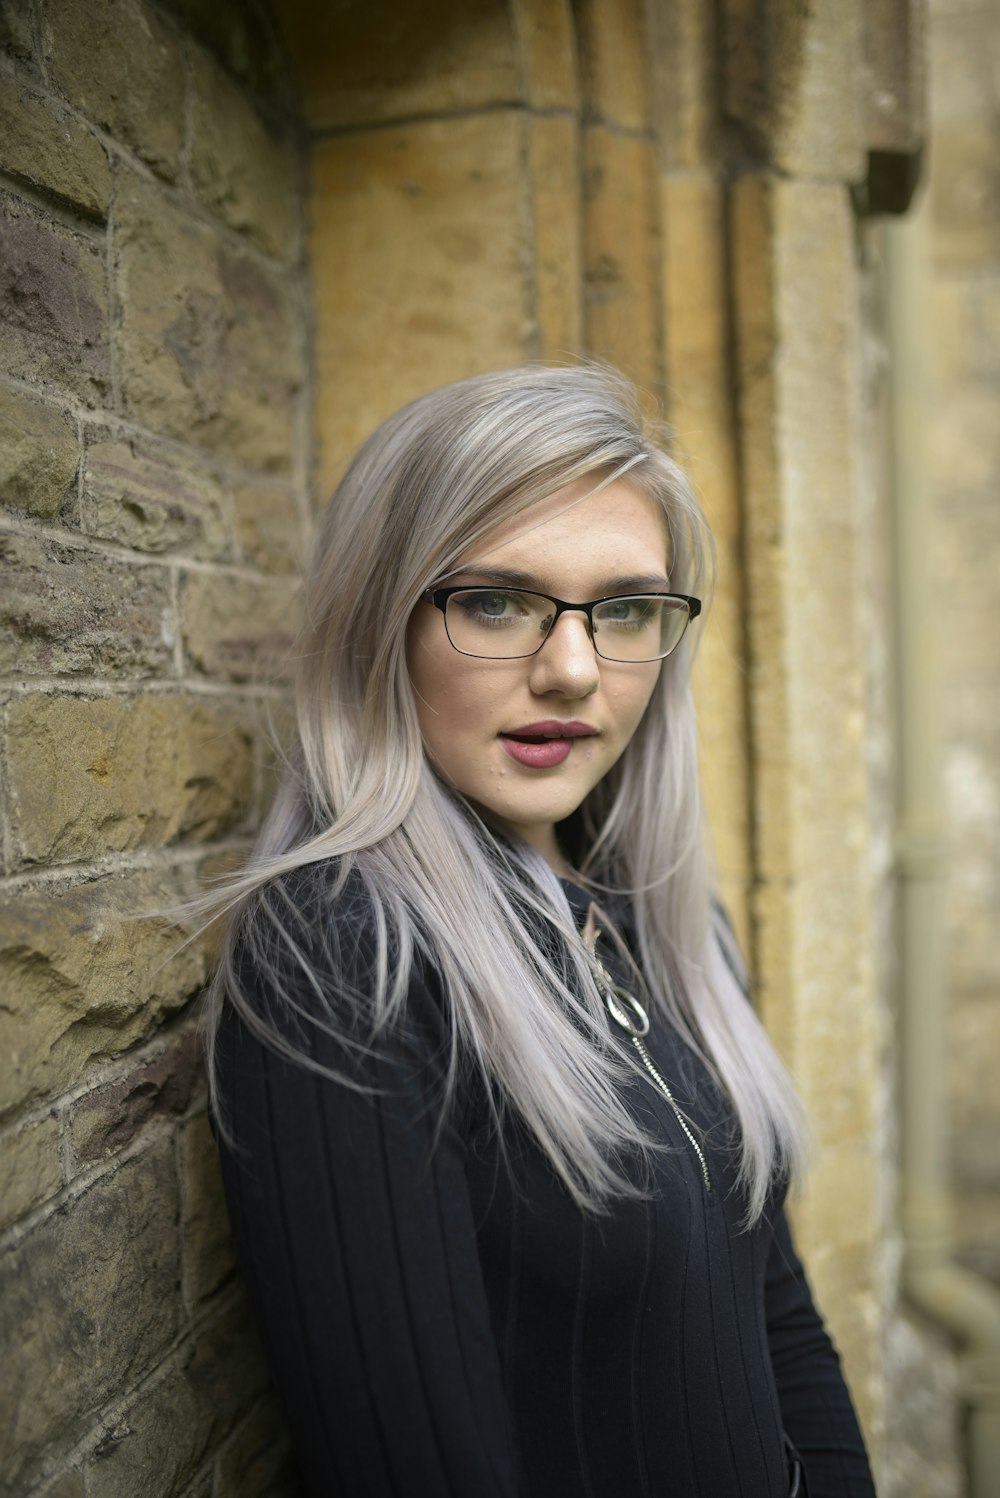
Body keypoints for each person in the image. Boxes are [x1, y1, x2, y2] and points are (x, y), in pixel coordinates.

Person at [205, 365, 876, 1497]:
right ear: (382, 619)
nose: (572, 669)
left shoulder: (669, 929)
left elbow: (779, 1321)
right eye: (495, 601)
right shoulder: (342, 959)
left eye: (622, 611)